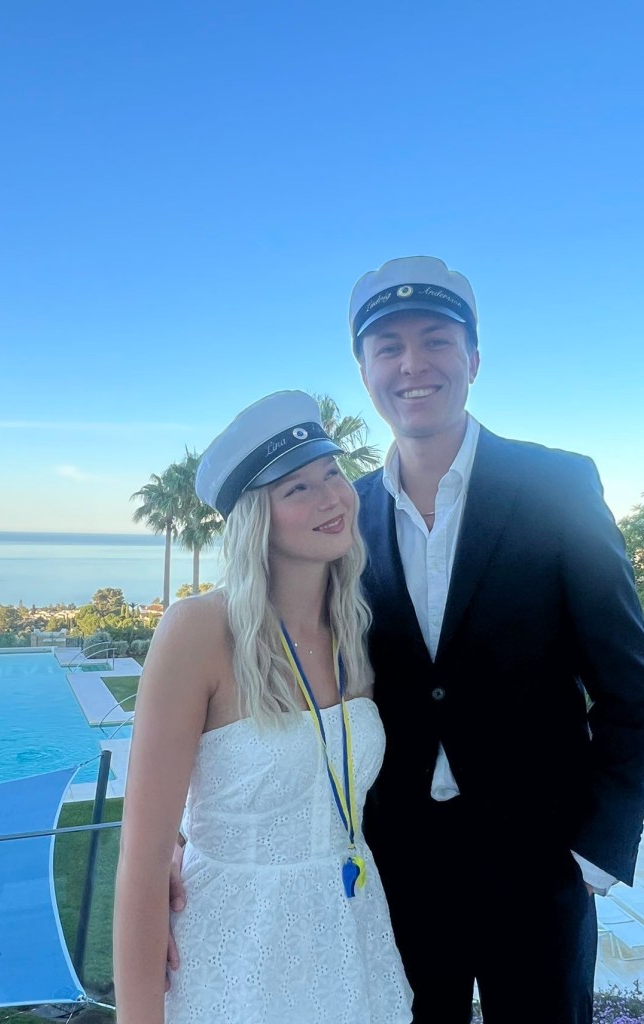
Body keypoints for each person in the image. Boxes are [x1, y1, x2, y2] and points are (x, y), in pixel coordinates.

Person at [346, 256, 644, 1023]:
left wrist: (594, 852)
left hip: (540, 864)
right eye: (389, 346)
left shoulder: (557, 486)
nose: (413, 364)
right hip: (399, 868)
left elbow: (631, 690)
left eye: (436, 340)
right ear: (364, 371)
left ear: (474, 359)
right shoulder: (346, 515)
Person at [112, 389, 413, 1024]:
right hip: (233, 952)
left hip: (351, 941)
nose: (331, 497)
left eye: (332, 473)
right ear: (256, 518)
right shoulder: (198, 631)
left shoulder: (357, 628)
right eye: (297, 488)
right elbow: (142, 863)